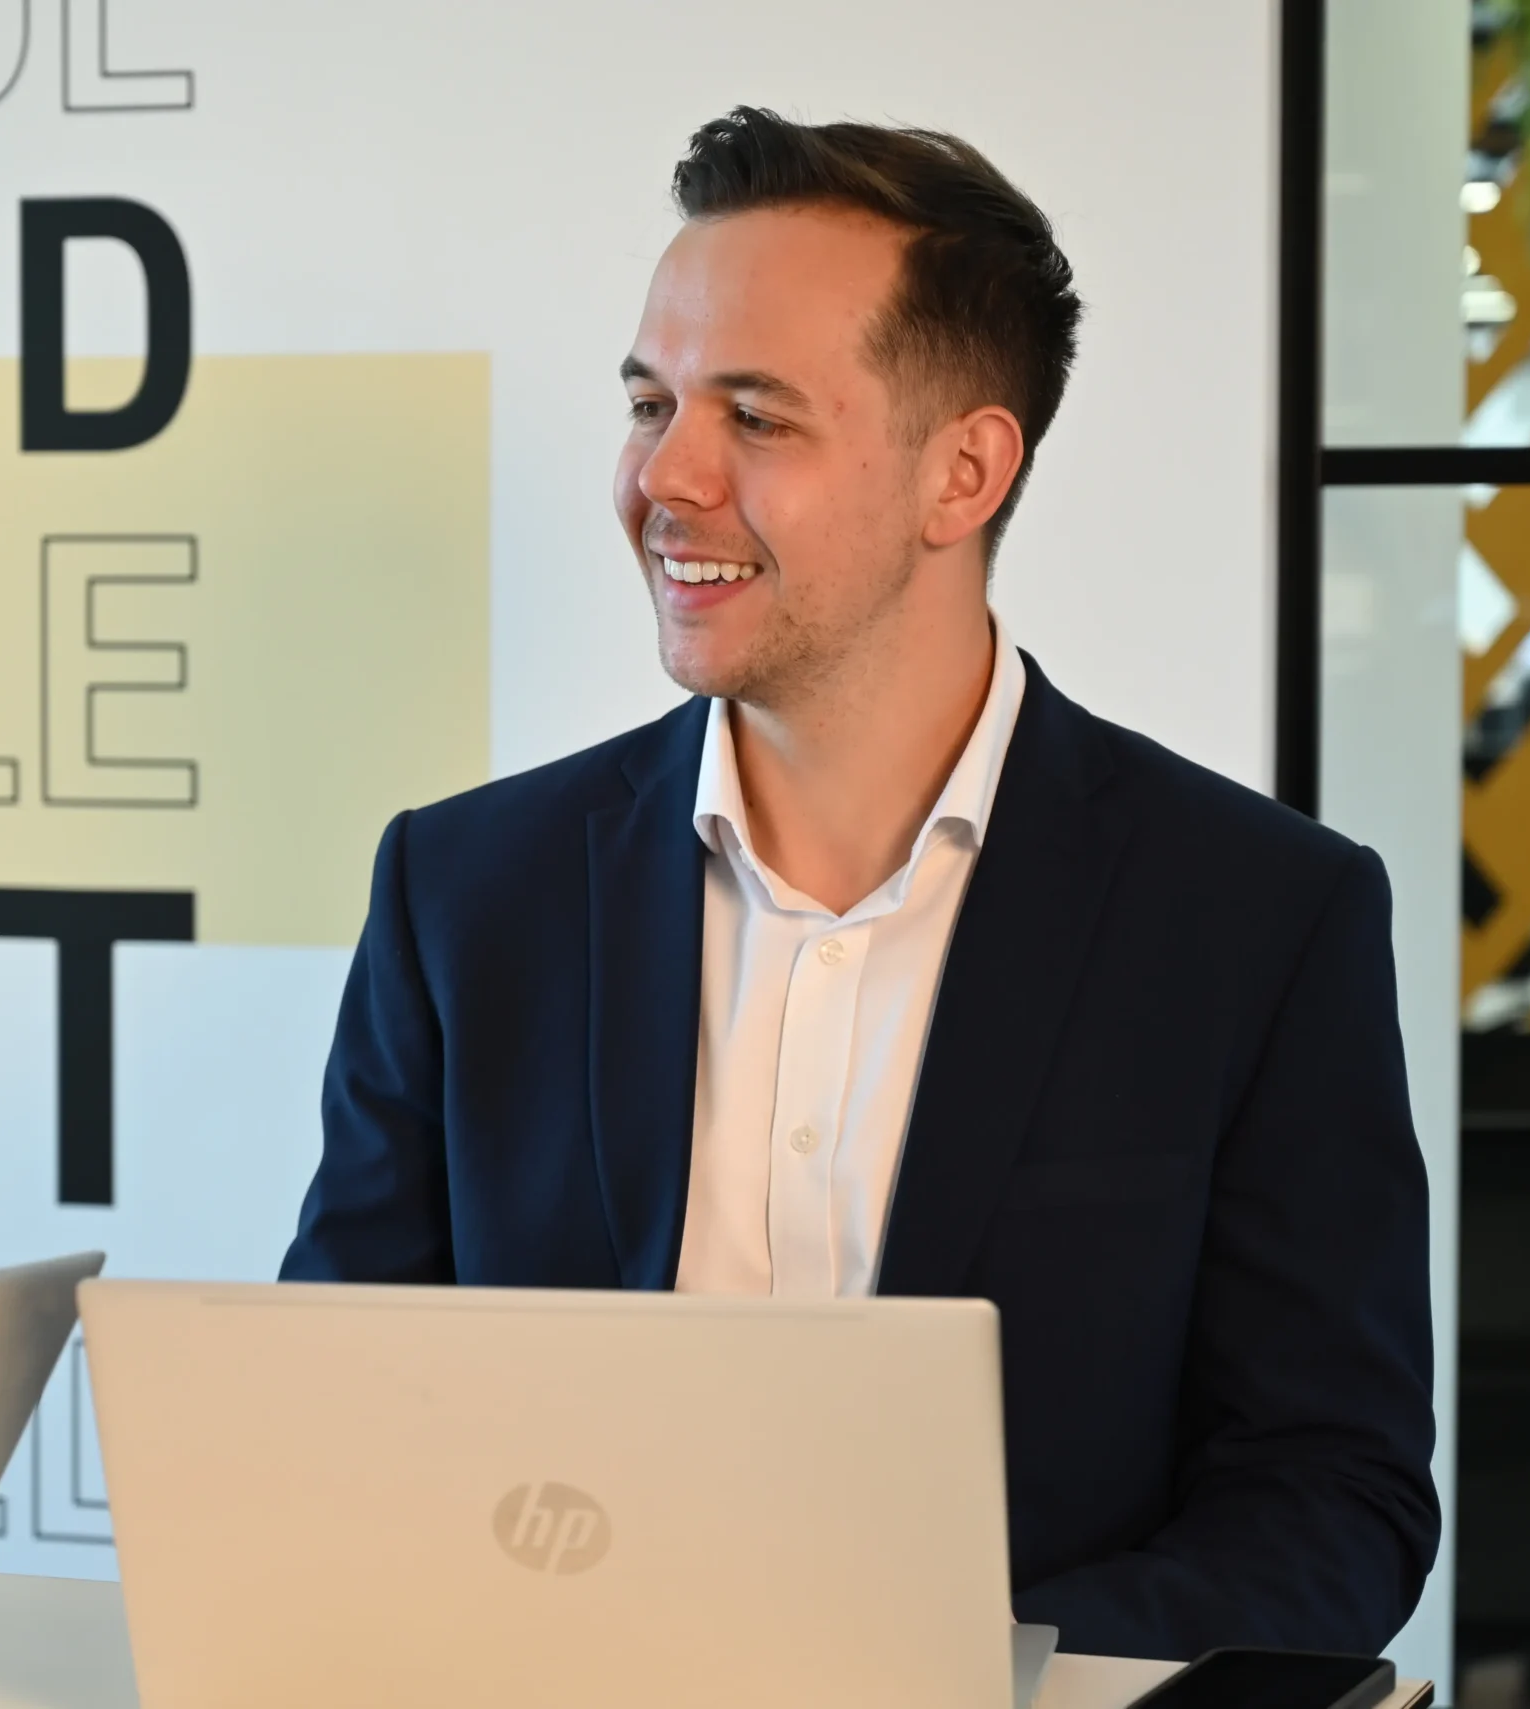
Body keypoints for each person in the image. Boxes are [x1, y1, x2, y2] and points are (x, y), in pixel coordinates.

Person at [280, 106, 1436, 1660]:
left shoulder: (1255, 919)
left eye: (756, 418)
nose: (663, 479)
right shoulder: (466, 893)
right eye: (649, 402)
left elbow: (1329, 1500)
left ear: (964, 472)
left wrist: (947, 1674)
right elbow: (335, 1417)